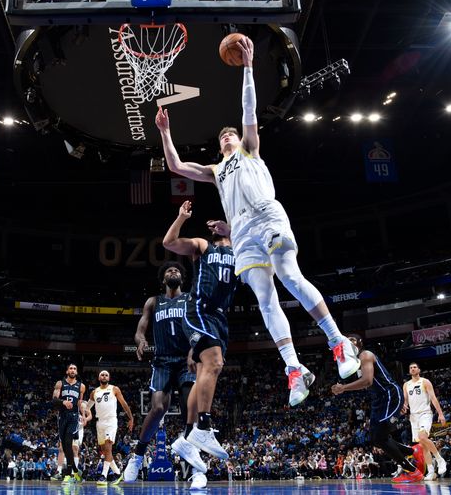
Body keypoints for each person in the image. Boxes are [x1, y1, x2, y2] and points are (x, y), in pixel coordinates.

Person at [155, 35, 359, 407]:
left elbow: (248, 111)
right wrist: (166, 133)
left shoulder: (250, 149)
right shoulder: (217, 170)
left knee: (290, 276)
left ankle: (338, 342)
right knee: (266, 300)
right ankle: (294, 369)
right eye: (224, 136)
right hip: (244, 233)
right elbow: (176, 166)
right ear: (220, 147)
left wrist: (248, 68)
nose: (229, 135)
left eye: (231, 132)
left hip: (268, 215)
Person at [161, 200, 239, 490]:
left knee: (207, 369)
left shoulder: (240, 250)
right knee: (215, 363)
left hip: (219, 318)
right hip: (199, 310)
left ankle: (188, 434)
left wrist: (232, 229)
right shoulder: (204, 246)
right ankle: (203, 426)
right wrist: (181, 218)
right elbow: (169, 242)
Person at [124, 261, 197, 482]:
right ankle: (137, 456)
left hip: (187, 360)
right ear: (163, 279)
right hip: (163, 361)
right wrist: (141, 341)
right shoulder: (153, 302)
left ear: (182, 279)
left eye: (177, 270)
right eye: (168, 271)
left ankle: (193, 466)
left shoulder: (190, 299)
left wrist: (195, 349)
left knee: (189, 407)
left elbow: (200, 326)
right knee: (157, 408)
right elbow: (140, 331)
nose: (173, 271)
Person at [331, 335, 423, 483]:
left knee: (380, 436)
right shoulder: (355, 362)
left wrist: (343, 388)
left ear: (359, 343)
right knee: (376, 439)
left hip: (389, 395)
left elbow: (367, 380)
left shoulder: (365, 355)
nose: (348, 342)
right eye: (346, 341)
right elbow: (368, 384)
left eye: (352, 340)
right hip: (378, 400)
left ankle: (412, 471)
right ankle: (413, 451)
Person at [85, 369, 133, 485]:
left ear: (109, 378)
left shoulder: (114, 389)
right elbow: (87, 407)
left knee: (108, 448)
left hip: (111, 421)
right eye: (102, 375)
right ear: (99, 378)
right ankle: (117, 473)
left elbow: (124, 404)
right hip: (99, 422)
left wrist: (131, 418)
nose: (104, 376)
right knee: (104, 451)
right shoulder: (94, 392)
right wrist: (83, 413)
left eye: (106, 375)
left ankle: (103, 476)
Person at [402, 362, 448, 480]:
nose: (412, 369)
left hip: (425, 413)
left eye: (414, 367)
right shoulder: (406, 385)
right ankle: (431, 472)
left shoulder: (425, 382)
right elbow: (406, 402)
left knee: (423, 437)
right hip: (413, 416)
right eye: (410, 367)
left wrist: (441, 414)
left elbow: (433, 398)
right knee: (423, 446)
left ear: (419, 369)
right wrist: (403, 407)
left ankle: (440, 460)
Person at [52, 363, 87, 483]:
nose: (73, 370)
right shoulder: (60, 383)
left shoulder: (81, 386)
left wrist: (83, 415)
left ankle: (68, 474)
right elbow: (54, 400)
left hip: (73, 417)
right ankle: (76, 472)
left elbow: (79, 403)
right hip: (62, 417)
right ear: (67, 371)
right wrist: (63, 402)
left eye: (75, 368)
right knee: (65, 445)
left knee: (68, 442)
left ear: (76, 372)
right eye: (71, 368)